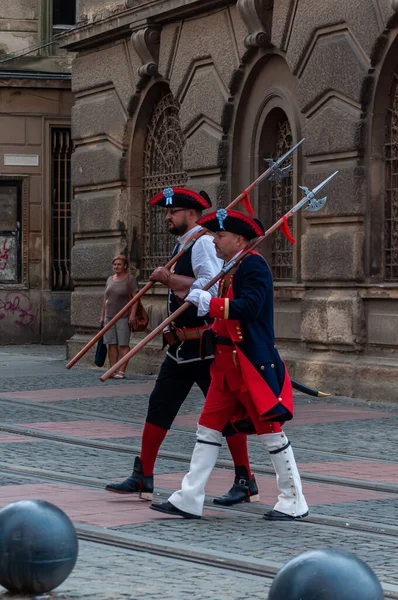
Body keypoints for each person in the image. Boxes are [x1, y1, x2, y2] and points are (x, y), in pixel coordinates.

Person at [150, 209, 309, 520]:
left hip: (248, 364)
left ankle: (293, 500)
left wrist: (212, 304)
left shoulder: (254, 266)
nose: (215, 241)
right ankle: (190, 497)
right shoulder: (231, 267)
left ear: (239, 239)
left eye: (220, 236)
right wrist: (206, 309)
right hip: (224, 366)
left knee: (271, 433)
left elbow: (249, 308)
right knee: (207, 430)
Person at [105, 189, 259, 502]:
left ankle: (245, 479)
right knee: (160, 404)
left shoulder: (202, 242)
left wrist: (168, 279)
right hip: (180, 347)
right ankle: (143, 475)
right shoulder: (184, 243)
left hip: (203, 344)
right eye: (166, 211)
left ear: (190, 213)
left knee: (225, 413)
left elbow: (210, 288)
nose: (167, 217)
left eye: (172, 212)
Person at [100, 255, 138, 379]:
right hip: (109, 316)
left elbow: (136, 298)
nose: (116, 266)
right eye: (115, 264)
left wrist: (132, 314)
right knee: (111, 343)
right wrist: (102, 316)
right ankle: (112, 369)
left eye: (119, 264)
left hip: (123, 316)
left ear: (125, 266)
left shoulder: (130, 279)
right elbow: (106, 299)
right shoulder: (110, 279)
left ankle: (121, 371)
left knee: (123, 343)